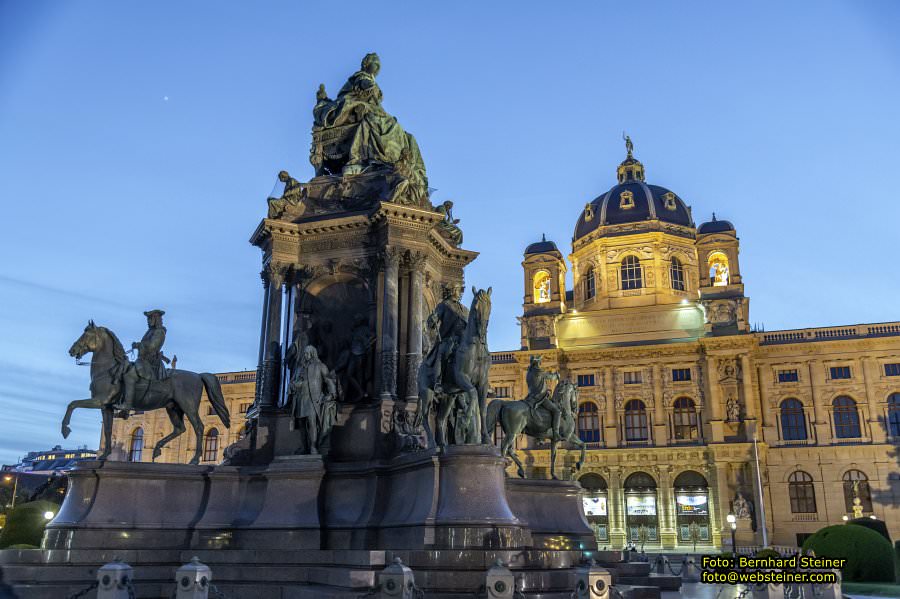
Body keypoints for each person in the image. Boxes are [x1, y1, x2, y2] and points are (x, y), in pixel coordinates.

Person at [289, 346, 337, 455]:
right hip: (300, 398)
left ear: (313, 353)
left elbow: (328, 380)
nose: (305, 356)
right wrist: (293, 386)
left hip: (313, 398)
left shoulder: (320, 366)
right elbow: (292, 381)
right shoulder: (299, 368)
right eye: (304, 353)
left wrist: (332, 394)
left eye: (307, 353)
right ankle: (304, 446)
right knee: (301, 424)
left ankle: (313, 446)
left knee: (312, 423)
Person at [423, 284, 469, 394]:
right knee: (442, 352)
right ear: (453, 291)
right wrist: (432, 320)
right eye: (458, 289)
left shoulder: (465, 309)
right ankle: (438, 381)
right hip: (448, 339)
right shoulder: (444, 305)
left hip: (462, 340)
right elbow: (431, 323)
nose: (459, 292)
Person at [120, 309, 167, 411]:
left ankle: (127, 405)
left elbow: (152, 347)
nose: (148, 321)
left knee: (130, 375)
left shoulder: (160, 332)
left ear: (156, 319)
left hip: (150, 362)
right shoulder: (150, 332)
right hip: (142, 360)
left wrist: (138, 345)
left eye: (150, 318)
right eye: (148, 319)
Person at [523, 355, 562, 440]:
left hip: (530, 398)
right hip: (540, 397)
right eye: (540, 362)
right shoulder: (538, 371)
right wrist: (557, 375)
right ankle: (556, 433)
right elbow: (551, 377)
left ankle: (540, 437)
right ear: (538, 362)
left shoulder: (529, 372)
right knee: (557, 411)